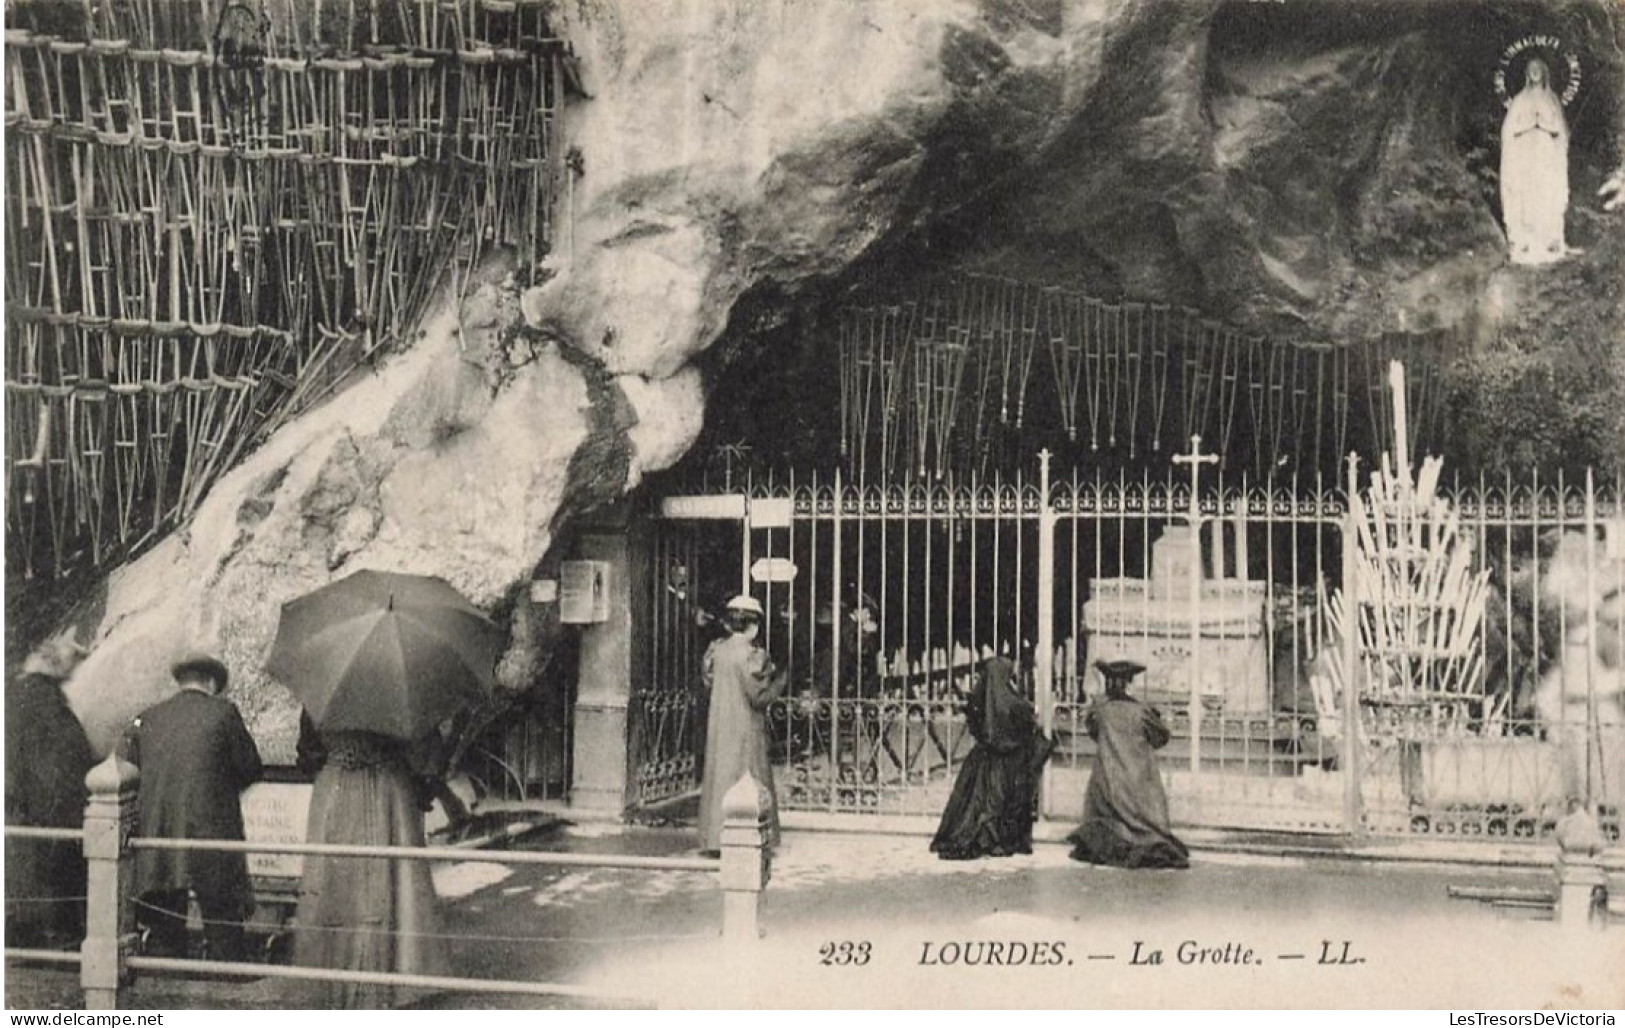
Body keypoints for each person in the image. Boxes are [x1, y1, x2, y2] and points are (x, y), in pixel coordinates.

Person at [292, 717, 448, 1008]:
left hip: (335, 791)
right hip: (387, 792)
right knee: (392, 882)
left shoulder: (326, 693)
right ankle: (390, 982)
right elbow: (428, 755)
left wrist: (339, 757)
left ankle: (332, 986)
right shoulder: (400, 694)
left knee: (335, 887)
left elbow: (307, 754)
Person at [121, 652, 264, 959]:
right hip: (210, 833)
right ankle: (224, 993)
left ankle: (161, 990)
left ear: (181, 680)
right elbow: (250, 767)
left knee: (163, 927)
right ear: (212, 682)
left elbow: (127, 770)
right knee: (222, 923)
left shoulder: (148, 716)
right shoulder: (223, 713)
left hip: (157, 833)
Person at [5, 636, 95, 948]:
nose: (76, 668)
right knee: (57, 914)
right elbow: (61, 770)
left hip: (34, 823)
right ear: (48, 657)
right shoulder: (43, 701)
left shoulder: (24, 696)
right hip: (54, 826)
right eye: (73, 658)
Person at [1067, 660, 1189, 870]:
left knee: (1103, 809)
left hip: (1107, 772)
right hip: (1137, 773)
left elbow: (1093, 729)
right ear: (1128, 684)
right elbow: (1161, 737)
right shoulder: (1140, 710)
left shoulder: (1101, 709)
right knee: (1144, 815)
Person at [930, 656, 1055, 860]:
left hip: (984, 759)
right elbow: (1028, 726)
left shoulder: (978, 700)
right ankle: (1000, 839)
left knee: (976, 802)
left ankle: (985, 837)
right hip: (1011, 762)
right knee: (1006, 799)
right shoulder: (1016, 703)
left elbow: (974, 724)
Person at [698, 595, 787, 855]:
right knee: (750, 775)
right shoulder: (752, 656)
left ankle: (715, 837)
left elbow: (709, 683)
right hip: (746, 725)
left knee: (720, 776)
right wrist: (781, 682)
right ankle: (753, 836)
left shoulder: (716, 651)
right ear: (754, 626)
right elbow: (759, 696)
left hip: (720, 724)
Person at [1501, 57, 1570, 265]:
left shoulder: (1552, 100)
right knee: (1527, 195)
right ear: (1526, 74)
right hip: (1526, 157)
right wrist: (1528, 126)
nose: (1534, 72)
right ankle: (1525, 241)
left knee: (1546, 194)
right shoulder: (1520, 100)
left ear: (1544, 72)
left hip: (1546, 157)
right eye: (1531, 69)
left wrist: (1545, 127)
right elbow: (1509, 130)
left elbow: (1561, 130)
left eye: (1538, 69)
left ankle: (1548, 240)